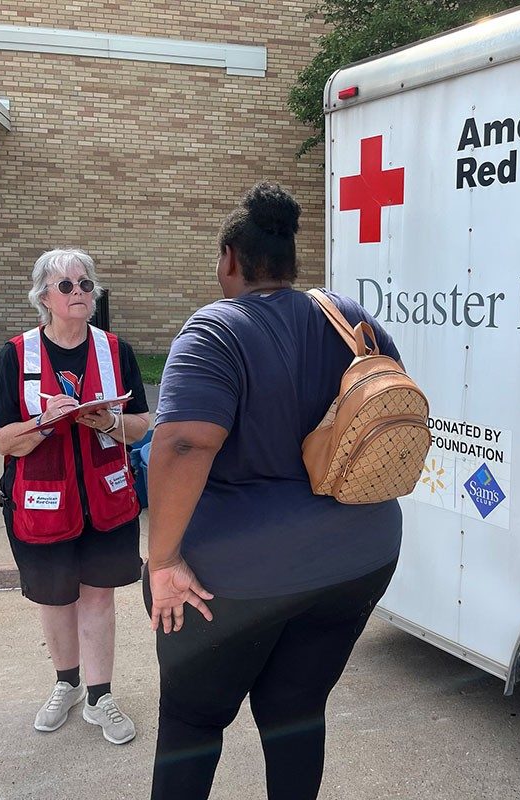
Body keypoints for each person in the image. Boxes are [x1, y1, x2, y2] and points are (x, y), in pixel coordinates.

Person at [144, 183, 403, 799]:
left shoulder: (216, 329)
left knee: (193, 720)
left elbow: (183, 444)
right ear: (290, 255)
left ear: (230, 257)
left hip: (236, 576)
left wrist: (163, 560)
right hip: (358, 556)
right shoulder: (351, 320)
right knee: (296, 710)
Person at [0, 248, 150, 745]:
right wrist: (45, 422)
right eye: (67, 286)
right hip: (42, 503)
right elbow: (1, 437)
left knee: (98, 596)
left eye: (85, 284)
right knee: (56, 598)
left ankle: (101, 696)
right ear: (44, 296)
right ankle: (68, 685)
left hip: (106, 500)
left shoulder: (115, 350)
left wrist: (111, 421)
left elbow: (143, 424)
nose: (80, 293)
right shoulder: (15, 355)